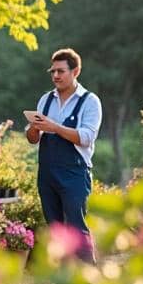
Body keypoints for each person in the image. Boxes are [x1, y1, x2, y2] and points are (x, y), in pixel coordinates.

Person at [25, 47, 103, 263]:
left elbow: (86, 137)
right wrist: (33, 129)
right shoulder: (45, 100)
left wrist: (55, 127)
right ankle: (61, 278)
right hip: (47, 172)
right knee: (55, 230)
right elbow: (32, 138)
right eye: (53, 71)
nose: (56, 76)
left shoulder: (90, 101)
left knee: (77, 227)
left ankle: (88, 275)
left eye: (61, 71)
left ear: (75, 72)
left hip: (75, 173)